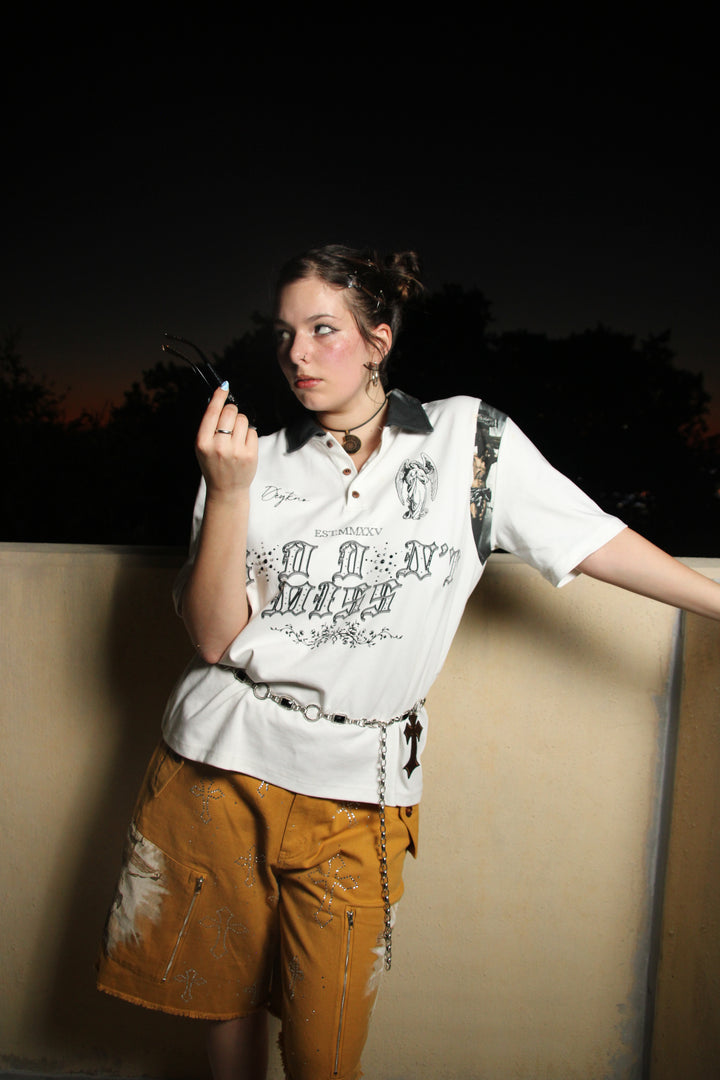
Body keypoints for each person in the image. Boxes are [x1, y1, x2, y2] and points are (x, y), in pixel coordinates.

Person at [97, 244, 720, 1080]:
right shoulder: (249, 462)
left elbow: (592, 538)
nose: (298, 353)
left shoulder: (469, 440)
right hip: (218, 769)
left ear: (378, 340)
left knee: (325, 1049)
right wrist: (232, 492)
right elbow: (213, 638)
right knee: (224, 1003)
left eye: (324, 330)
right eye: (284, 333)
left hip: (360, 788)